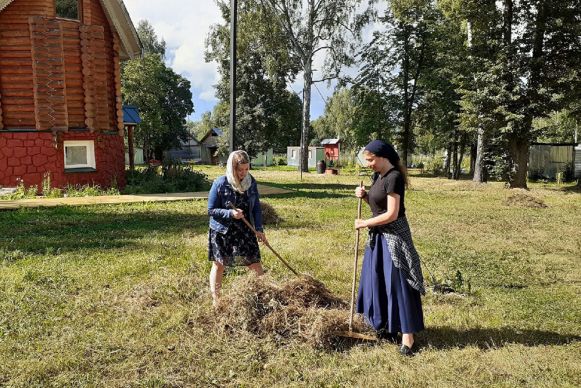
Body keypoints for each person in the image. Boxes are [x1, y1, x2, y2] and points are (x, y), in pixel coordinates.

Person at [354, 140, 425, 356]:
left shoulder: (394, 177)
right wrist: (366, 196)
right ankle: (385, 326)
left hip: (394, 238)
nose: (369, 164)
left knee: (398, 284)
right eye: (367, 161)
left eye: (371, 160)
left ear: (383, 156)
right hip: (379, 238)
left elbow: (392, 214)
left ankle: (408, 337)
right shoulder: (379, 176)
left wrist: (364, 223)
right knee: (376, 280)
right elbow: (379, 207)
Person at [207, 150, 267, 307]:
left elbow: (256, 208)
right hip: (222, 230)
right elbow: (211, 210)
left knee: (254, 263)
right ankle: (216, 301)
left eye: (247, 169)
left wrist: (259, 228)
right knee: (219, 264)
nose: (243, 173)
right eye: (240, 170)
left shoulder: (250, 182)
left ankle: (264, 296)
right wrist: (230, 213)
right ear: (232, 168)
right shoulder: (220, 184)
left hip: (244, 229)